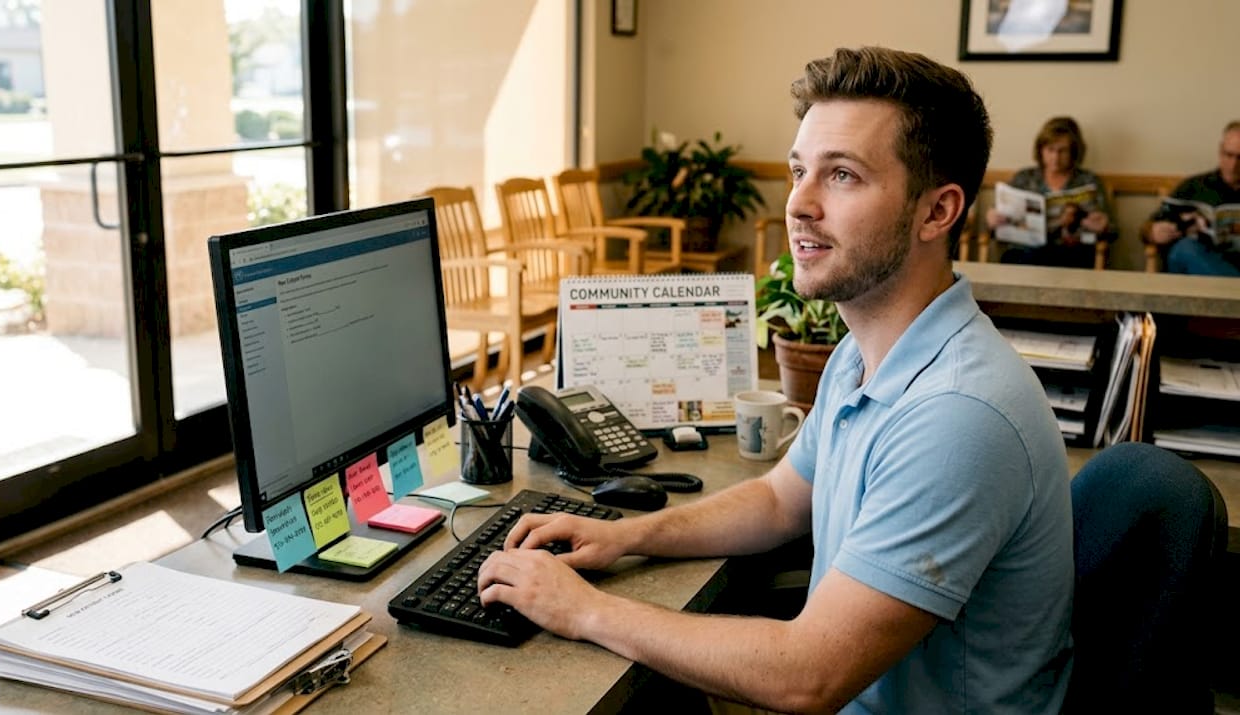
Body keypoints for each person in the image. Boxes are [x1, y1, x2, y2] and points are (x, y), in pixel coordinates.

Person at [478, 47, 1073, 713]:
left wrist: (584, 609)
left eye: (842, 175)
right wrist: (624, 536)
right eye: (798, 171)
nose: (799, 204)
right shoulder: (867, 350)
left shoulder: (958, 415)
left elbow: (807, 676)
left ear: (937, 212)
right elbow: (780, 501)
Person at [985, 116, 1115, 268]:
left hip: (1072, 254)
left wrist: (1104, 226)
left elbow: (1113, 230)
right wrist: (992, 220)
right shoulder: (1025, 178)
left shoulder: (1088, 180)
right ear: (1041, 150)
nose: (1055, 157)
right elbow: (995, 228)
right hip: (1026, 253)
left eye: (1062, 151)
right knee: (1021, 258)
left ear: (1074, 151)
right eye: (1050, 150)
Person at [1144, 121, 1240, 276]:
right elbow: (1148, 226)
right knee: (1185, 248)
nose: (1233, 164)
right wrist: (1152, 232)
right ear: (1220, 151)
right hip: (1201, 262)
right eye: (1229, 155)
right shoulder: (1194, 187)